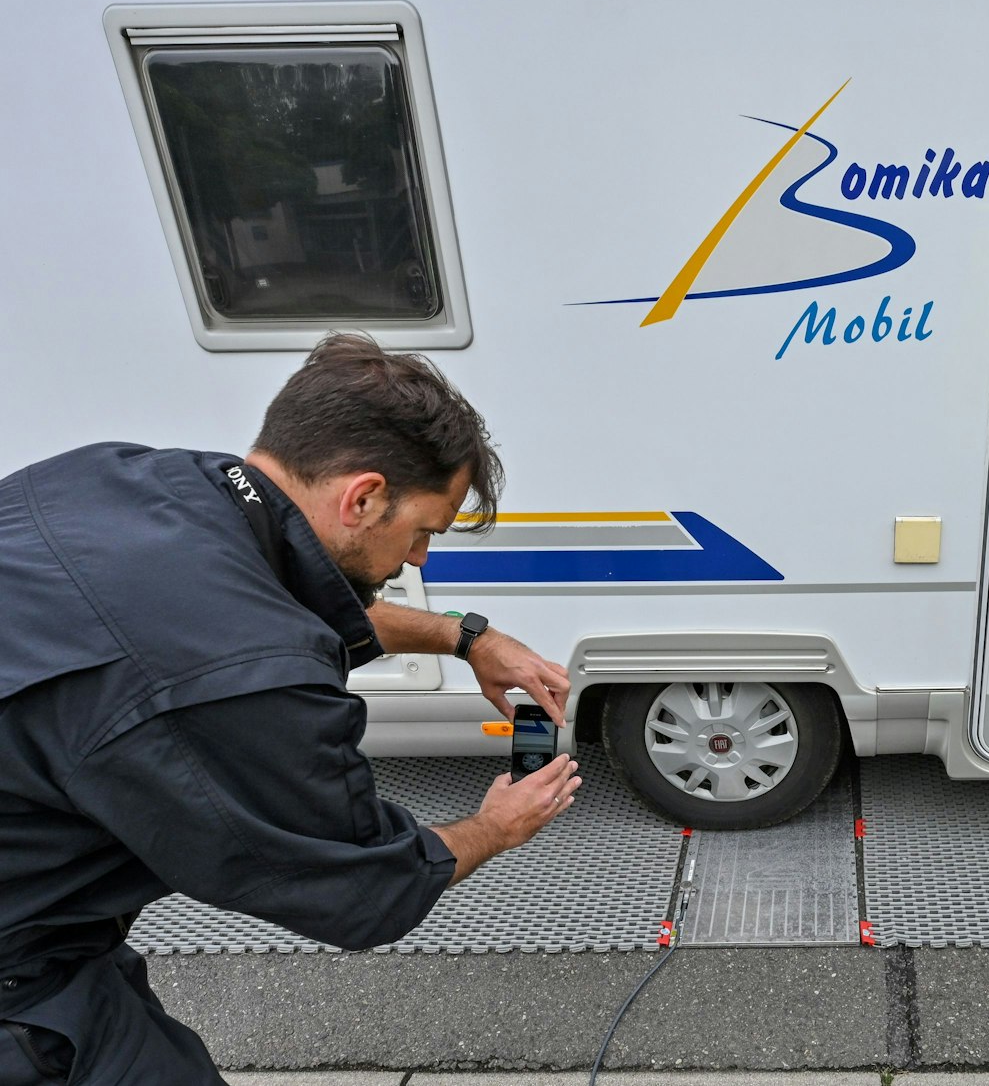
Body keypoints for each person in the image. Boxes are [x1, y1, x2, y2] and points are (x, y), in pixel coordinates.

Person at [0, 333, 584, 1084]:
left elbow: (257, 614)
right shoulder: (247, 683)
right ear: (363, 497)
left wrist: (467, 638)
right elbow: (365, 885)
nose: (419, 559)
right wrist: (496, 827)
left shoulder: (118, 477)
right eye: (423, 532)